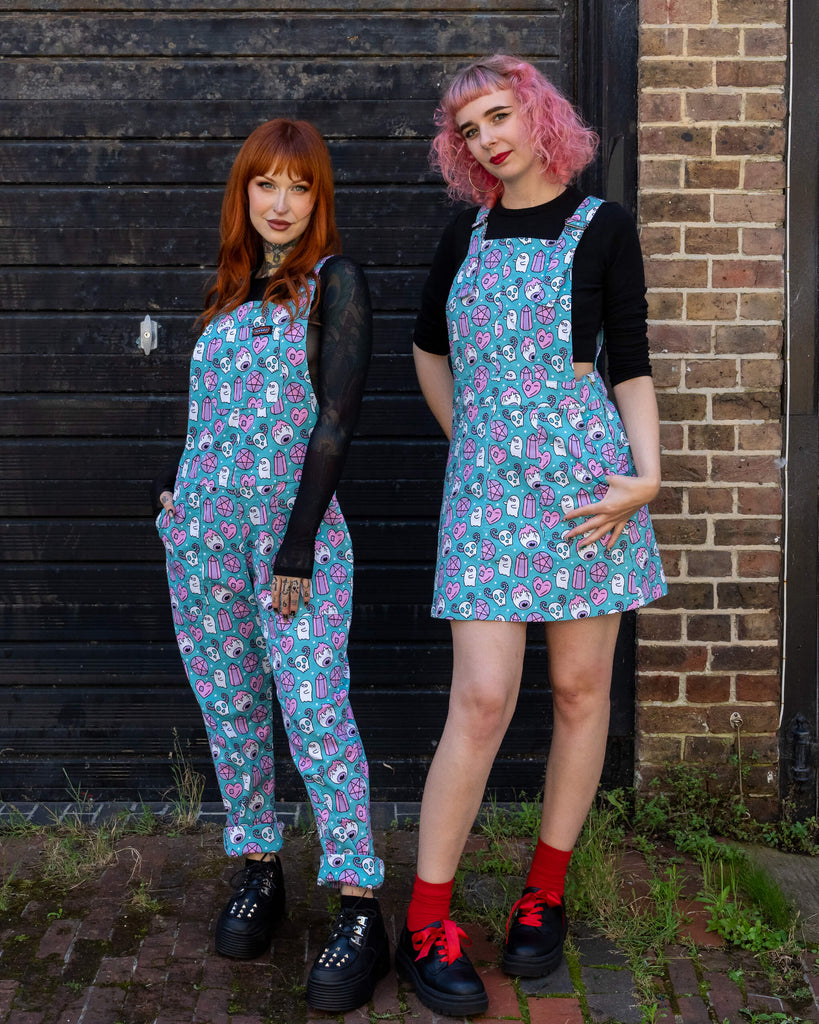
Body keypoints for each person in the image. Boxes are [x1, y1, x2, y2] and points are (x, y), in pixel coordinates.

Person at [396, 55, 667, 1016]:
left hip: (587, 495)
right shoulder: (462, 236)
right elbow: (428, 349)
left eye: (498, 116)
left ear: (537, 113)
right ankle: (426, 919)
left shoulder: (604, 228)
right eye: (467, 130)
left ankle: (542, 893)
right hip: (485, 497)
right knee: (481, 699)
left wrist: (646, 476)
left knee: (580, 691)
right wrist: (471, 440)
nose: (486, 140)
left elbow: (628, 361)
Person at [151, 118, 389, 1013]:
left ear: (317, 198)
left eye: (299, 186)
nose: (280, 203)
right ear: (243, 192)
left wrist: (297, 545)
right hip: (203, 538)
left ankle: (359, 905)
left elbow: (335, 421)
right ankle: (259, 867)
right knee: (232, 706)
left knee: (315, 708)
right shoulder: (227, 292)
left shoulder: (336, 283)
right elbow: (212, 419)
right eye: (265, 184)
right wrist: (175, 495)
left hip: (293, 539)